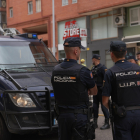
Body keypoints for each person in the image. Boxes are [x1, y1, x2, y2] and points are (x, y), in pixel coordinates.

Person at [51, 37, 97, 140]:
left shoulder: (55, 70)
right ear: (76, 51)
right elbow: (94, 91)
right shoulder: (83, 71)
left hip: (62, 117)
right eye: (80, 49)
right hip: (79, 117)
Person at [102, 41, 140, 140]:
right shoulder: (138, 69)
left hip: (121, 116)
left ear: (111, 54)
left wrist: (115, 111)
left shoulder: (110, 73)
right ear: (126, 52)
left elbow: (105, 101)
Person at [91, 54, 110, 130]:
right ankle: (95, 123)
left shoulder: (103, 68)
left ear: (95, 59)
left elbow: (106, 80)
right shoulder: (93, 68)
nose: (92, 61)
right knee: (95, 107)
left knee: (103, 107)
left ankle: (107, 123)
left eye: (92, 59)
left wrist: (105, 89)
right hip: (95, 90)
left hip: (102, 91)